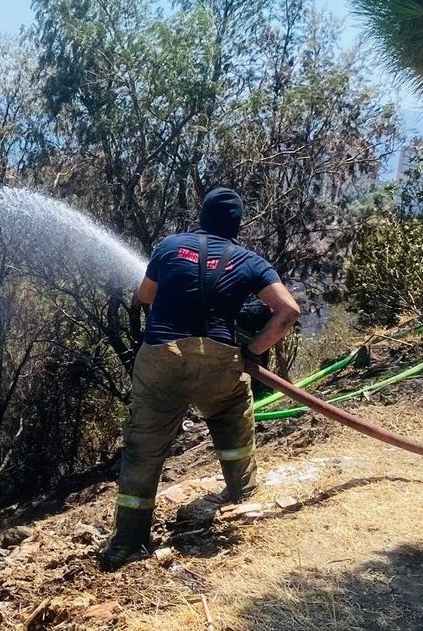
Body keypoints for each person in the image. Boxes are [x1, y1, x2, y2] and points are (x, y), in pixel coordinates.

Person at [98, 187, 301, 571]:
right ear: (237, 224)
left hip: (162, 359)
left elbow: (145, 295)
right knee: (230, 414)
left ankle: (128, 540)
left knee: (143, 448)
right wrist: (253, 351)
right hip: (220, 362)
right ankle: (243, 492)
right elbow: (288, 311)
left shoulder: (170, 246)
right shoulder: (250, 260)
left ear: (202, 216)